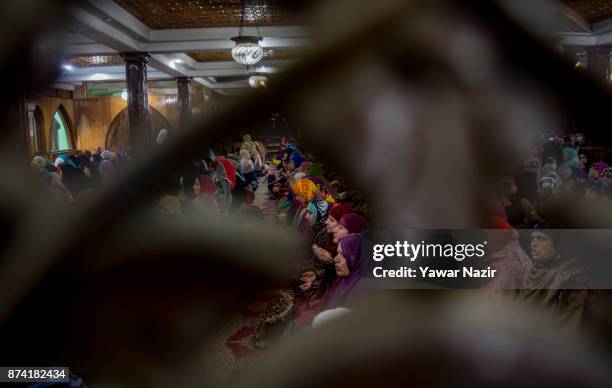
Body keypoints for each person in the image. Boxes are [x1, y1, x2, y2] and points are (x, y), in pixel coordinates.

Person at [517, 228, 598, 328]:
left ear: (559, 245)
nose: (533, 244)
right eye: (533, 238)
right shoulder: (531, 273)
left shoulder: (572, 280)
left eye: (541, 239)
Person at [325, 233, 364, 309]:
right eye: (337, 253)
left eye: (343, 255)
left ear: (358, 258)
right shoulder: (344, 282)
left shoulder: (362, 293)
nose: (335, 259)